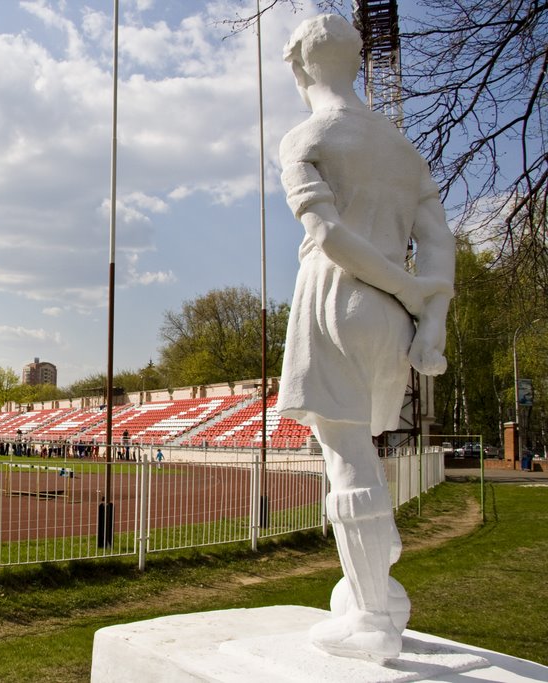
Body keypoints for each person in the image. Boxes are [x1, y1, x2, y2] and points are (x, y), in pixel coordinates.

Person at [276, 15, 455, 662]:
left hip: (336, 294)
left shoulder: (308, 135)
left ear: (299, 68)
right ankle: (369, 588)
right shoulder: (403, 148)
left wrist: (415, 294)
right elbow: (438, 242)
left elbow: (326, 235)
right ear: (356, 61)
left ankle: (375, 615)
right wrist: (427, 315)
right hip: (390, 313)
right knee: (360, 451)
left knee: (346, 454)